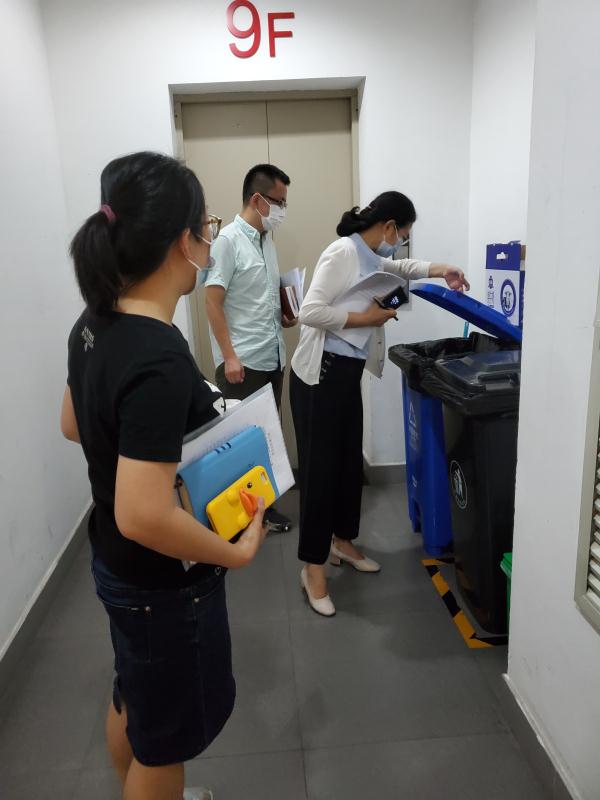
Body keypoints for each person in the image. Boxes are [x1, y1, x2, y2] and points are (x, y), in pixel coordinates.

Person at [60, 152, 266, 800]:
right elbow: (143, 514)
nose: (209, 237)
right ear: (185, 241)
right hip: (159, 583)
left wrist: (146, 449)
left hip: (115, 565)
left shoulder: (95, 320)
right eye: (207, 226)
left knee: (136, 700)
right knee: (164, 744)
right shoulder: (156, 353)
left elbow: (73, 424)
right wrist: (235, 554)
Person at [290, 191, 469, 617]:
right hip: (318, 377)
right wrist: (365, 319)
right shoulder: (343, 252)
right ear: (388, 226)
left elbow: (401, 268)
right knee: (320, 474)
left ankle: (342, 542)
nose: (400, 244)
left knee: (348, 465)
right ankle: (312, 569)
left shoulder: (372, 255)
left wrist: (440, 269)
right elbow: (309, 312)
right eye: (401, 235)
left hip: (345, 374)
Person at [205, 163, 295, 533]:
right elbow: (212, 301)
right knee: (239, 443)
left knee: (265, 438)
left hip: (272, 355)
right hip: (242, 362)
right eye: (279, 202)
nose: (282, 210)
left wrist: (284, 314)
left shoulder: (266, 240)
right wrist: (229, 356)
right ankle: (236, 520)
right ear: (257, 200)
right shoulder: (227, 241)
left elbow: (259, 296)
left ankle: (262, 511)